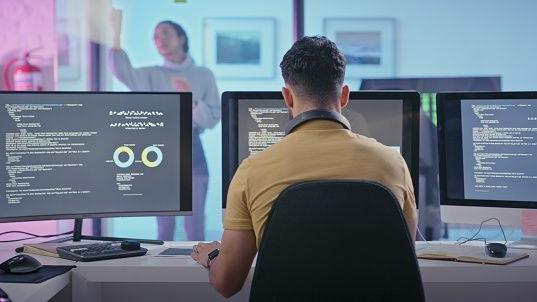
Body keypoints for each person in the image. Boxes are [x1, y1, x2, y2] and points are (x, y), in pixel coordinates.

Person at [191, 36, 418, 298]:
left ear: (287, 97)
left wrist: (213, 256)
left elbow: (227, 283)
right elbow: (404, 256)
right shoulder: (393, 163)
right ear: (344, 96)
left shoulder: (252, 170)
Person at [108, 9, 220, 241]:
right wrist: (116, 33)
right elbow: (120, 70)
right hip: (158, 152)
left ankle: (197, 276)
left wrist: (190, 100)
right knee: (164, 229)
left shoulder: (203, 75)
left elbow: (211, 120)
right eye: (156, 37)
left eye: (166, 33)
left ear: (181, 38)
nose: (160, 40)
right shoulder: (151, 75)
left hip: (192, 152)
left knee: (195, 227)